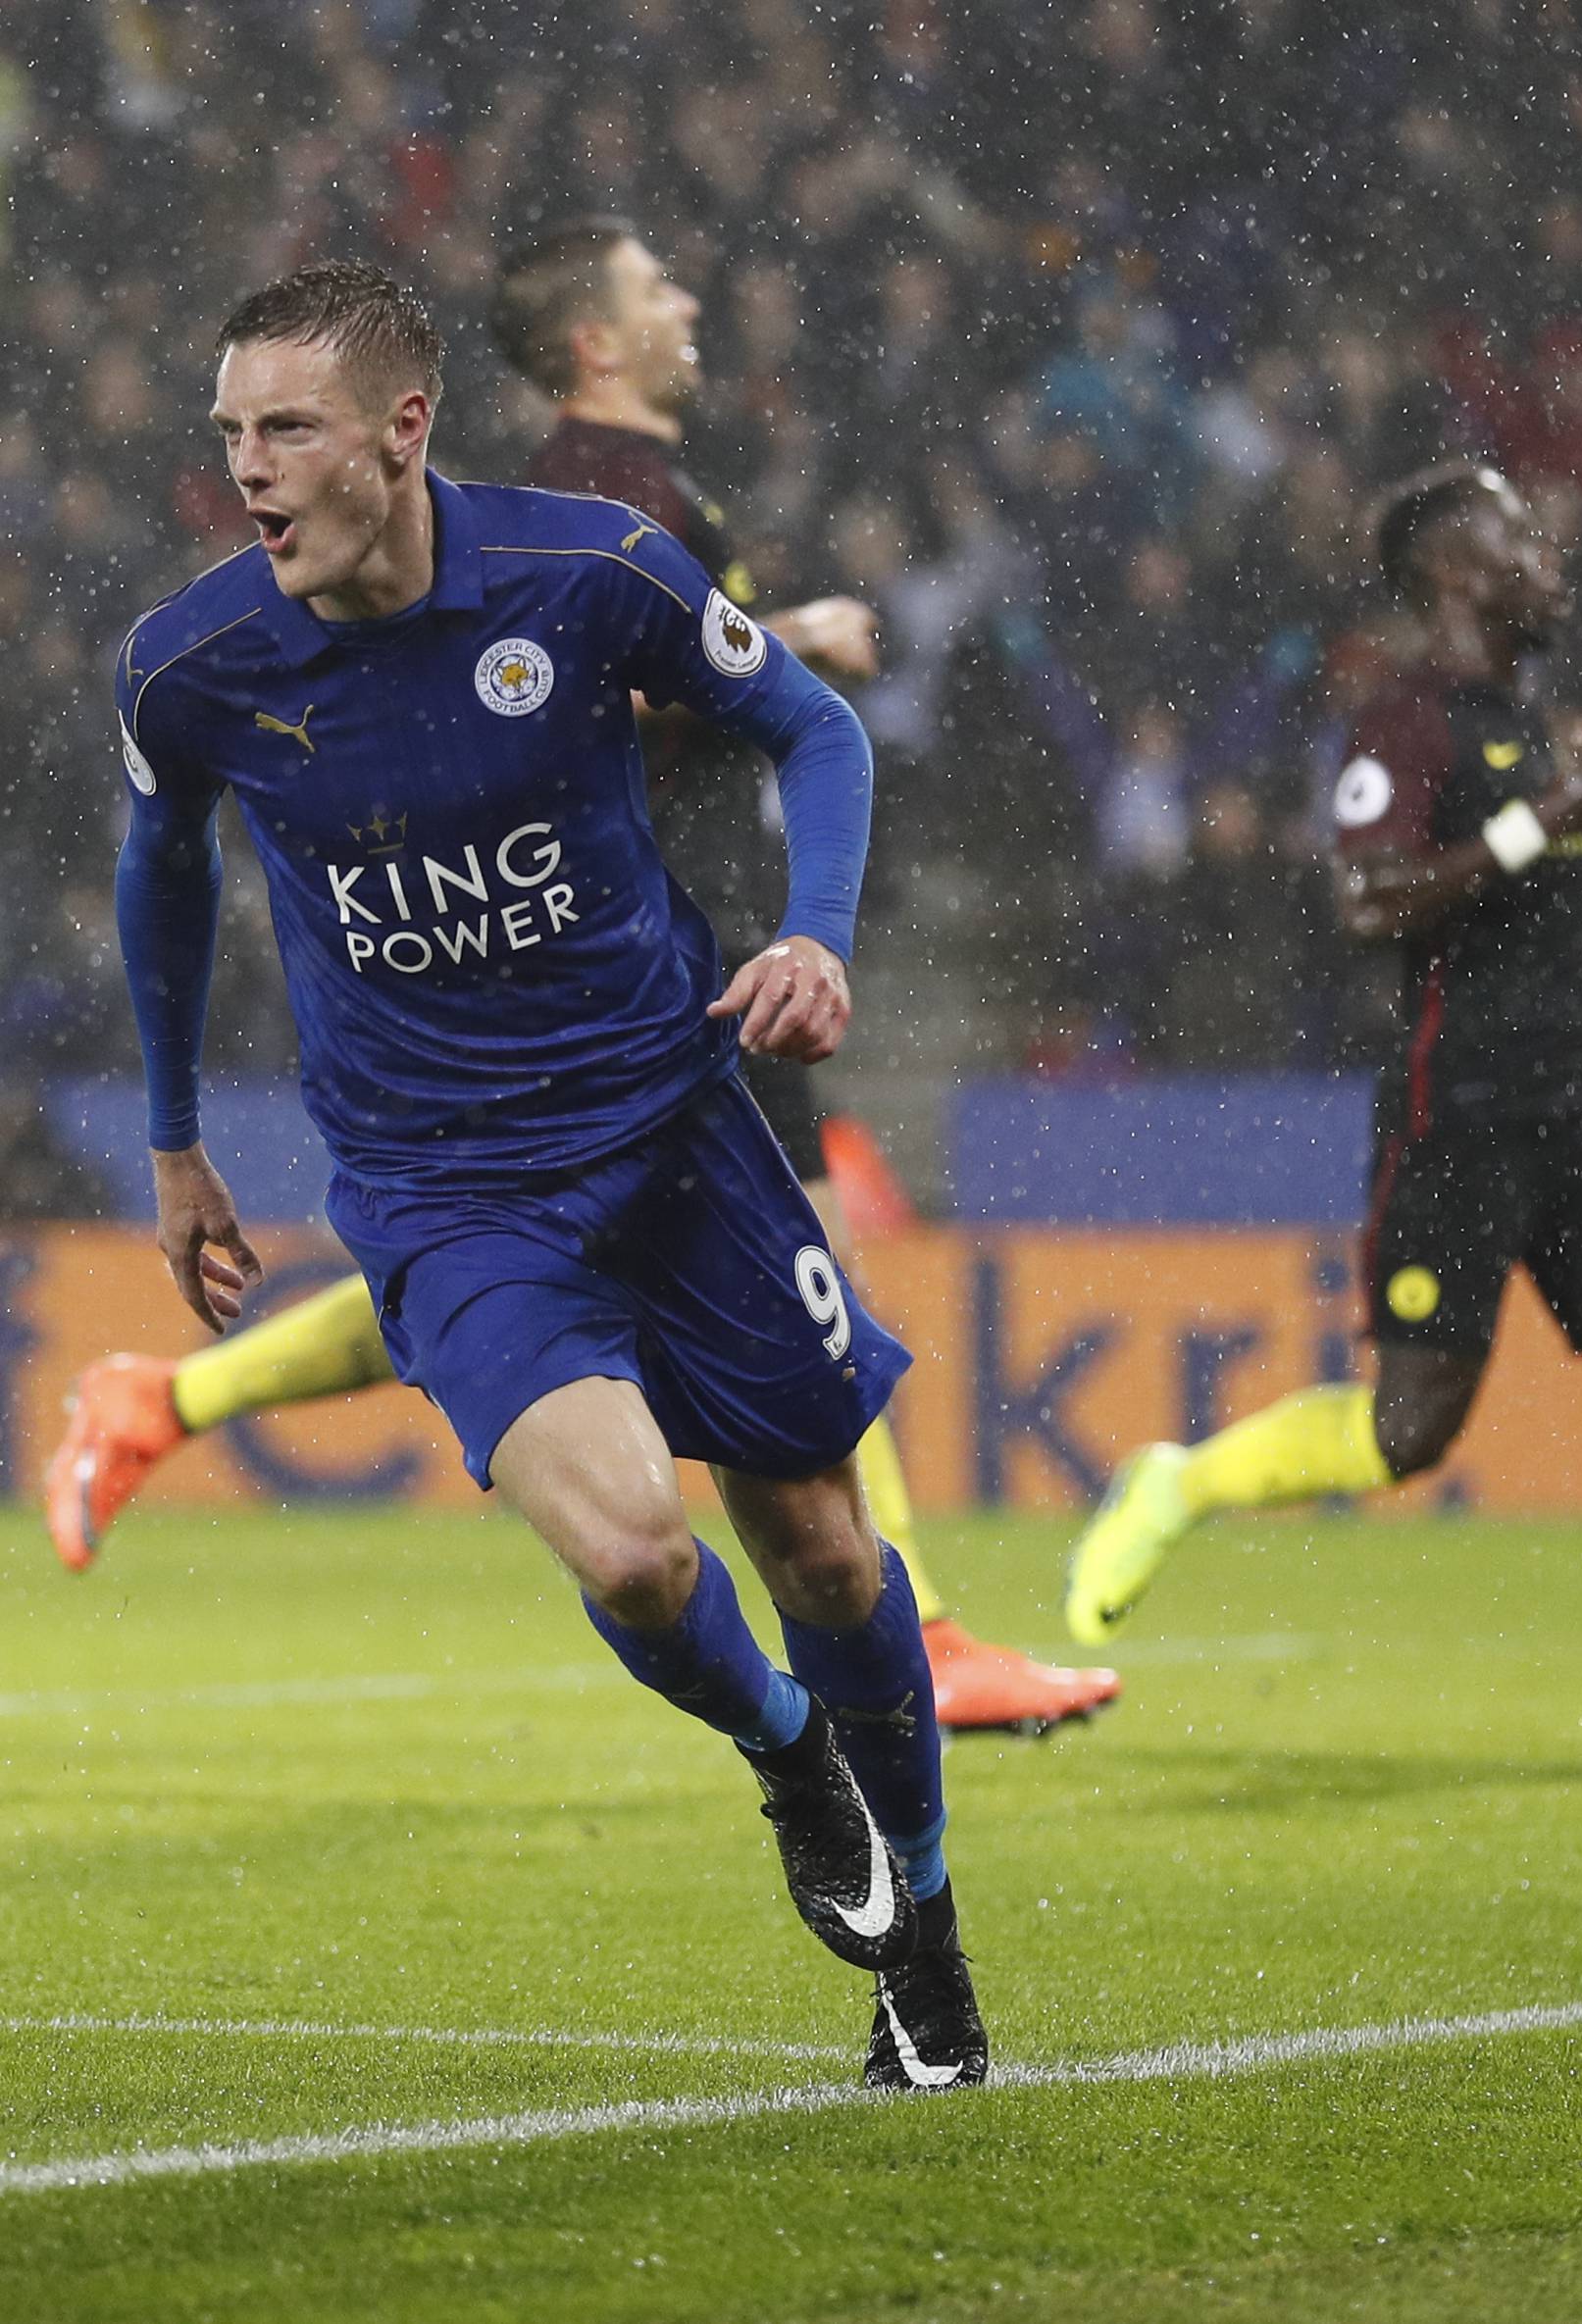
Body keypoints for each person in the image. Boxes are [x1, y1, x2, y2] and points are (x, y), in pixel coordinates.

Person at [48, 218, 1118, 1740]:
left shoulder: (635, 502)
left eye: (281, 427)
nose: (689, 297)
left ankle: (167, 1400)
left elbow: (737, 699)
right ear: (596, 342)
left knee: (642, 1320)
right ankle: (903, 1633)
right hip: (638, 983)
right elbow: (555, 693)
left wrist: (777, 718)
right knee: (677, 1333)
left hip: (698, 977)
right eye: (654, 286)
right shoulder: (595, 507)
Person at [108, 259, 987, 2088]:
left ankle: (926, 1935)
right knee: (640, 1550)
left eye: (287, 429)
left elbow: (808, 730)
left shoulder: (586, 573)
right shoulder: (197, 667)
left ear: (403, 429)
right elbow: (164, 868)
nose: (247, 470)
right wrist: (179, 1140)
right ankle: (784, 1759)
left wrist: (819, 935)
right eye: (229, 434)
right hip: (447, 1190)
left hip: (675, 1133)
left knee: (822, 1540)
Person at [1066, 462, 1582, 1766]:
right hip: (1454, 1108)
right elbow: (1366, 900)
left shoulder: (1527, 716)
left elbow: (1518, 907)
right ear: (1457, 571)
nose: (1553, 556)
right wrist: (1542, 825)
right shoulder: (1405, 722)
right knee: (1408, 1431)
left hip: (1578, 1092)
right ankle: (1176, 1482)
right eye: (1525, 536)